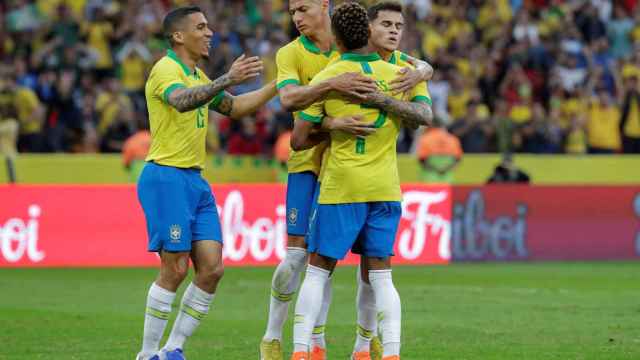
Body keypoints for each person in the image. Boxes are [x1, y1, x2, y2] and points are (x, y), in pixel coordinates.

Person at [260, 1, 433, 359]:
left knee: (318, 268)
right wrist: (382, 100)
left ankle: (310, 348)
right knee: (376, 274)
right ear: (367, 30)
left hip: (341, 185)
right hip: (372, 184)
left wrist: (423, 70)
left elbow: (297, 136)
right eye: (386, 24)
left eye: (302, 8)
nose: (297, 17)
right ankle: (379, 351)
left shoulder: (336, 75)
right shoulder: (395, 71)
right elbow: (422, 115)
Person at [135, 6, 277, 360]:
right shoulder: (166, 69)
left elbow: (236, 107)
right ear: (179, 36)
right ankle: (147, 353)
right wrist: (227, 78)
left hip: (195, 181)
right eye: (201, 27)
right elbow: (181, 101)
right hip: (166, 176)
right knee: (176, 267)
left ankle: (173, 349)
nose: (210, 32)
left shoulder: (197, 74)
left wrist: (280, 85)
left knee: (212, 269)